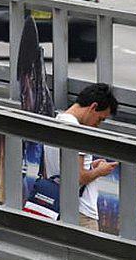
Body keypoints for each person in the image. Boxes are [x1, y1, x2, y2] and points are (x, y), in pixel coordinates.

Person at [43, 83, 119, 231]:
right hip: (81, 212)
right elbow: (78, 177)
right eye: (99, 119)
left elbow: (59, 168)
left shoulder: (56, 121)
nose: (97, 126)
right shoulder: (76, 130)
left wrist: (90, 165)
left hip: (57, 206)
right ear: (93, 107)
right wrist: (100, 171)